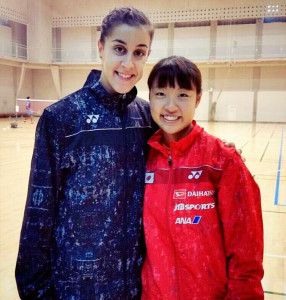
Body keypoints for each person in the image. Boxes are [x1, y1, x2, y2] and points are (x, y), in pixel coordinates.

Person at [15, 7, 154, 299]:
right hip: (76, 287)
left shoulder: (146, 117)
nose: (128, 63)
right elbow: (38, 214)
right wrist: (35, 290)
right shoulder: (61, 118)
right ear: (101, 47)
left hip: (134, 286)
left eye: (139, 52)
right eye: (119, 49)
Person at [141, 56, 264, 299]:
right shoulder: (141, 159)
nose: (171, 106)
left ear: (198, 98)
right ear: (150, 98)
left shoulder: (222, 162)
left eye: (183, 95)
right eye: (161, 94)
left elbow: (246, 254)